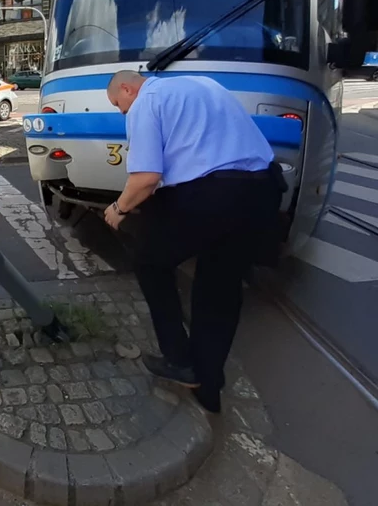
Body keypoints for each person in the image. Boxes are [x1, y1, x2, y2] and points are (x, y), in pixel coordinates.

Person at [102, 70, 283, 413]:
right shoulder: (205, 84)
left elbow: (146, 178)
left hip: (210, 194)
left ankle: (179, 359)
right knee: (220, 287)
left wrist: (118, 208)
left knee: (149, 262)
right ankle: (208, 386)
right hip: (261, 191)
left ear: (128, 88)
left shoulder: (146, 102)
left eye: (118, 104)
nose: (122, 112)